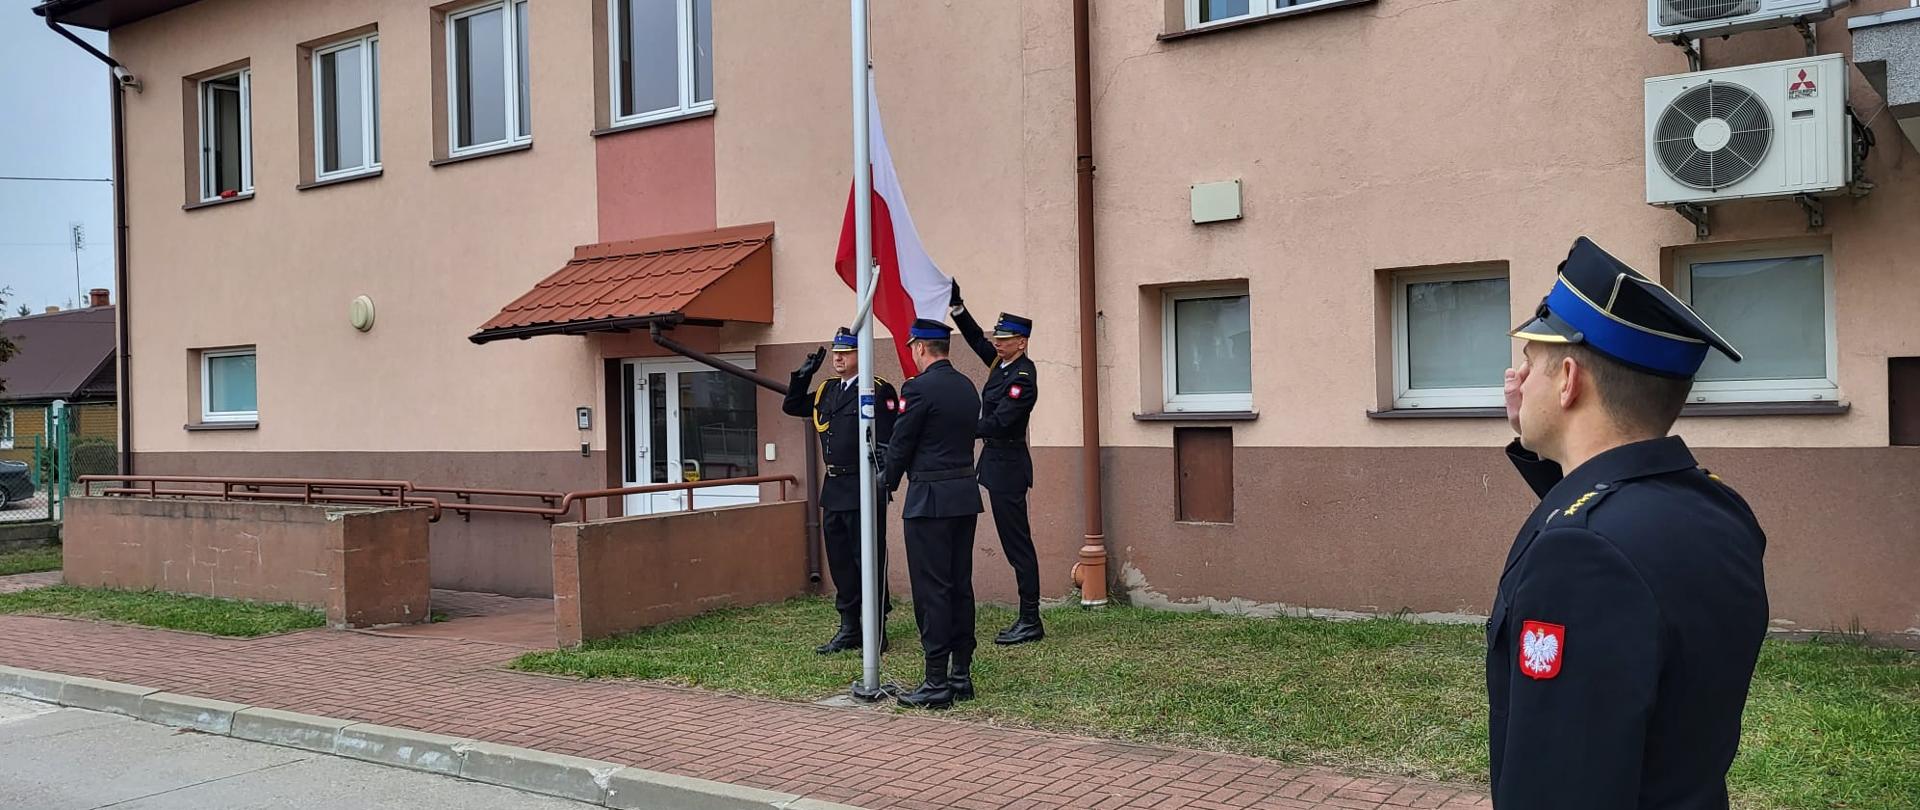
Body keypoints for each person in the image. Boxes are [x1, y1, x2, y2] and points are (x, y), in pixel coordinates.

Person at [1491, 236, 1768, 809]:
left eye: (1532, 363)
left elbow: (1560, 787)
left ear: (1568, 381)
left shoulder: (1581, 554)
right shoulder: (1716, 508)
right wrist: (1537, 439)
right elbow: (1616, 519)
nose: (1519, 379)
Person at [882, 319, 984, 710]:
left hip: (929, 500)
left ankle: (936, 681)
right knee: (960, 584)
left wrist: (887, 480)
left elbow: (902, 441)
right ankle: (961, 674)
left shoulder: (918, 388)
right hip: (963, 494)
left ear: (921, 348)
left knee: (932, 589)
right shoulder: (965, 386)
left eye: (912, 347)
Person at [781, 327, 898, 655]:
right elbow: (792, 407)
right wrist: (802, 377)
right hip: (834, 486)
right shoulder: (826, 390)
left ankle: (876, 628)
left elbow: (888, 440)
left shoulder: (877, 390)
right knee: (841, 561)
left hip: (864, 484)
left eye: (845, 353)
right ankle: (849, 626)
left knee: (869, 559)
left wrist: (883, 481)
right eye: (835, 353)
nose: (837, 359)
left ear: (862, 355)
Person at [947, 283, 1044, 645]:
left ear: (1022, 342)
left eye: (1005, 339)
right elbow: (976, 340)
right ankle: (1028, 617)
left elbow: (1002, 421)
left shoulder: (1022, 377)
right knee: (1012, 542)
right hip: (995, 462)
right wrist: (958, 307)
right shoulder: (1001, 365)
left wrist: (959, 427)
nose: (998, 343)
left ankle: (1030, 618)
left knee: (1017, 544)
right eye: (998, 338)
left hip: (1009, 464)